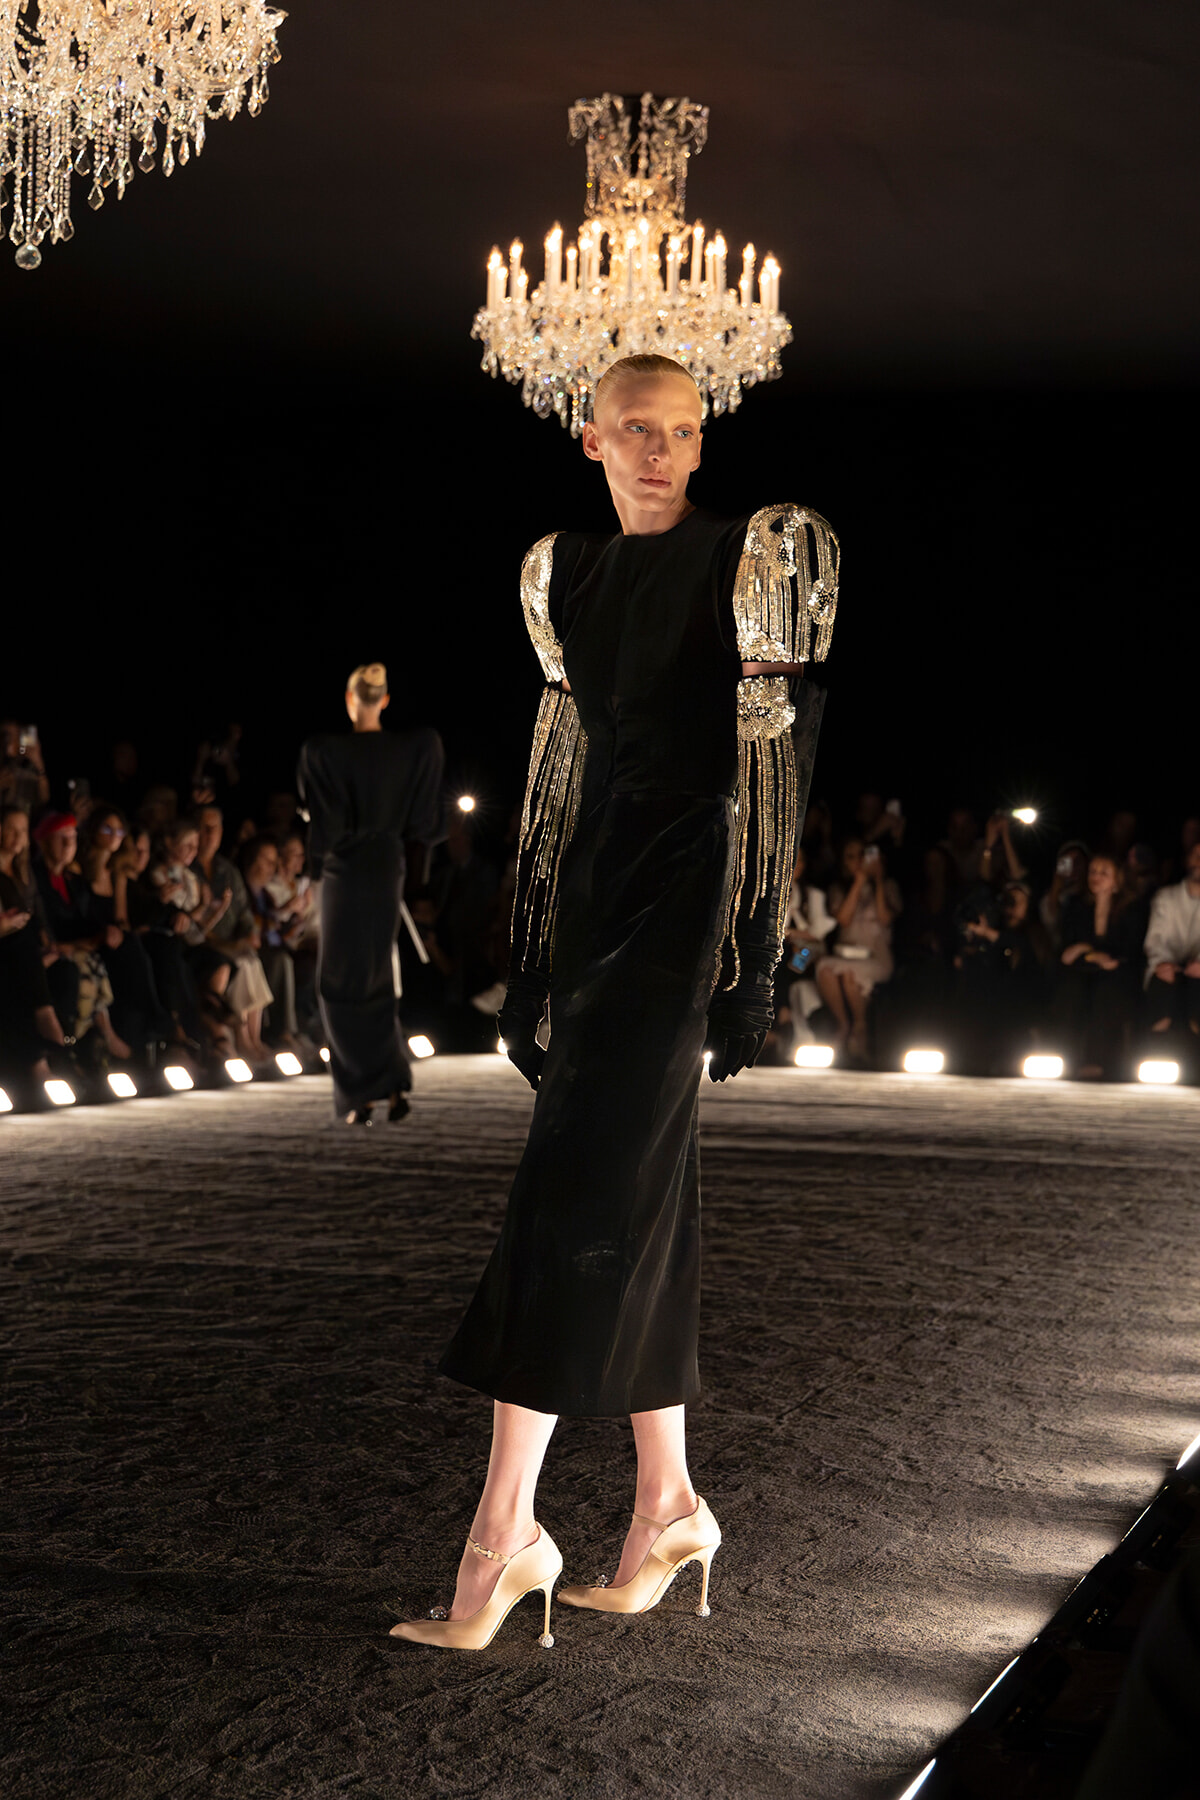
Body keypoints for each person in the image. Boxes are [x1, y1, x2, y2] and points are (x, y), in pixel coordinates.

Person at [394, 355, 838, 1652]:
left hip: (681, 920)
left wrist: (754, 961)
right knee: (644, 1211)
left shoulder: (747, 563)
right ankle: (670, 1506)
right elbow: (559, 773)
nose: (662, 453)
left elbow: (773, 774)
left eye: (684, 432)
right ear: (590, 438)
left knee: (569, 1203)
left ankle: (503, 1535)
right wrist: (532, 953)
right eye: (636, 431)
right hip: (595, 914)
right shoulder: (565, 575)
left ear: (704, 442)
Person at [297, 664, 444, 1124]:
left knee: (340, 981)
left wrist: (312, 873)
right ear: (384, 699)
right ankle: (392, 1084)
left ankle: (360, 1093)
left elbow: (320, 822)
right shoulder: (414, 747)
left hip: (344, 869)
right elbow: (425, 820)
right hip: (385, 865)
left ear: (349, 699)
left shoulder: (323, 751)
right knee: (378, 973)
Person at [1053, 853, 1147, 1078]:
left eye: (1103, 873)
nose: (1096, 877)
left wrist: (1087, 952)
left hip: (1119, 973)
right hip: (1082, 970)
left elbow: (1127, 953)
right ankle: (1066, 1059)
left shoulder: (1132, 908)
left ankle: (1099, 1061)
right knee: (1071, 990)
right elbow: (1066, 952)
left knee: (1107, 991)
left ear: (1117, 879)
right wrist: (1091, 954)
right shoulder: (1076, 905)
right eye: (1093, 871)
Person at [816, 838, 900, 1063]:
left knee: (846, 974)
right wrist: (858, 881)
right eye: (850, 857)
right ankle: (847, 1025)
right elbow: (843, 918)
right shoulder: (838, 889)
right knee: (828, 970)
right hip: (846, 955)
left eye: (861, 855)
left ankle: (859, 1028)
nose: (857, 861)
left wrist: (878, 879)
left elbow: (884, 918)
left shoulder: (888, 886)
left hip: (877, 958)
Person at [1142, 838, 1200, 1041]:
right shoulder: (1166, 897)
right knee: (1163, 991)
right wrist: (1163, 963)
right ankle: (1157, 1055)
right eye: (1196, 856)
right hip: (1166, 969)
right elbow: (1156, 939)